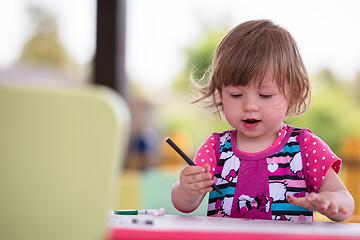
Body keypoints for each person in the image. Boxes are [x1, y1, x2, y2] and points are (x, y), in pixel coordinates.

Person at [171, 19, 354, 222]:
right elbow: (184, 204)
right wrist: (187, 189)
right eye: (236, 95)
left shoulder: (305, 146)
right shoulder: (216, 148)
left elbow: (345, 199)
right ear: (220, 93)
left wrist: (330, 202)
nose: (250, 106)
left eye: (265, 95)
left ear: (293, 94)